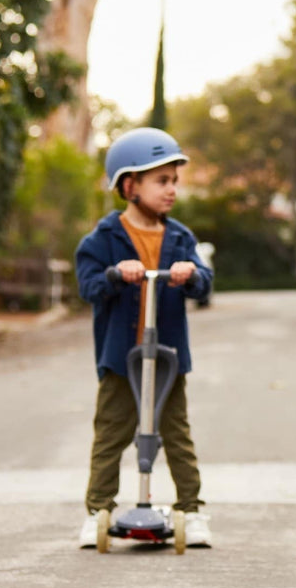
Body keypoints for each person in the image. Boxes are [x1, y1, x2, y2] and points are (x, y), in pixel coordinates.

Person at [75, 128, 214, 548]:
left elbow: (205, 283)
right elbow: (89, 287)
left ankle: (191, 509)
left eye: (174, 181)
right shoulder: (102, 240)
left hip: (168, 358)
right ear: (129, 185)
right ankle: (98, 510)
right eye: (162, 181)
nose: (172, 190)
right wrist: (116, 274)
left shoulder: (180, 238)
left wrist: (192, 275)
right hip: (122, 358)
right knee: (111, 435)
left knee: (177, 435)